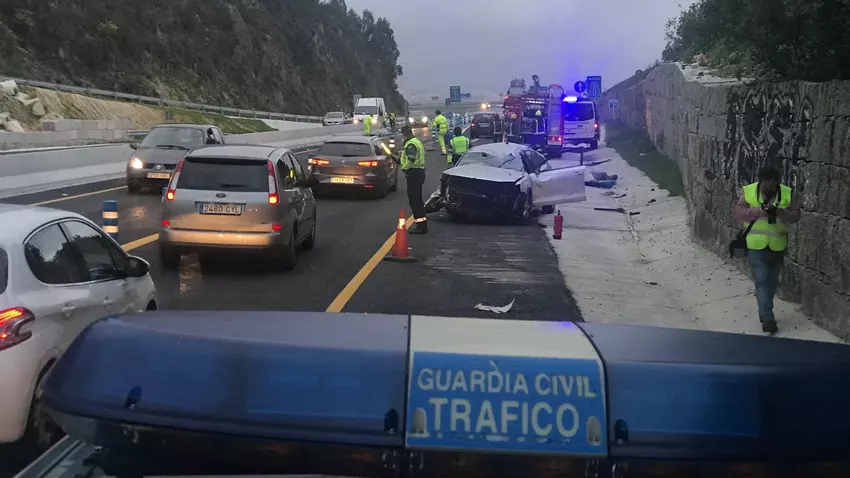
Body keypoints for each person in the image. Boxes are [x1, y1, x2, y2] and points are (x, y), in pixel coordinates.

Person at [732, 165, 801, 334]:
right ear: (760, 181)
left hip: (777, 245)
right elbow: (739, 213)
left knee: (772, 282)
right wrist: (758, 211)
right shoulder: (748, 191)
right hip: (755, 245)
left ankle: (765, 310)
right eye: (765, 184)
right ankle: (768, 318)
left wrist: (780, 213)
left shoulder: (787, 193)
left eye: (771, 184)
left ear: (776, 182)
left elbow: (796, 216)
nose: (768, 187)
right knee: (761, 280)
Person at [400, 125, 428, 234]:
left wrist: (404, 168)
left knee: (415, 201)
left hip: (414, 173)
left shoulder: (411, 144)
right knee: (417, 200)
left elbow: (411, 159)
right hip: (418, 172)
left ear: (404, 134)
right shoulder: (416, 142)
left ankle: (421, 226)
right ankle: (422, 225)